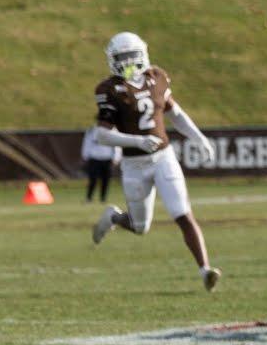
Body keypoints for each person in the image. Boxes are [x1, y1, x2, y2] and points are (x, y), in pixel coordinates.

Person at [91, 32, 221, 292]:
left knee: (182, 213)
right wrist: (137, 142)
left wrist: (199, 137)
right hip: (134, 166)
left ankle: (205, 269)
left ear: (143, 55)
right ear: (112, 60)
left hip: (163, 158)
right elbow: (101, 135)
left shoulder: (157, 77)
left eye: (131, 56)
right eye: (122, 58)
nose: (127, 62)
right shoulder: (109, 89)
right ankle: (115, 218)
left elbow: (176, 113)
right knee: (140, 227)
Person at [81, 125, 120, 204]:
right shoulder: (92, 130)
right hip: (94, 158)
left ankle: (103, 198)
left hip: (107, 159)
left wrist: (116, 158)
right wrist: (85, 156)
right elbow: (87, 143)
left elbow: (117, 144)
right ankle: (89, 198)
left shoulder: (113, 130)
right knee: (93, 179)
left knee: (106, 180)